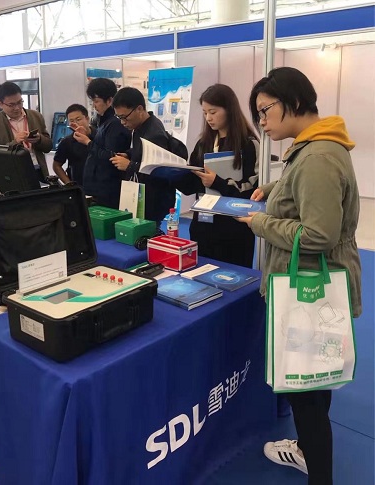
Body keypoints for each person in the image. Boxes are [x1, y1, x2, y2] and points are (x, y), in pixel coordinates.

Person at [238, 66, 362, 485]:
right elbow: (310, 194)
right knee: (314, 383)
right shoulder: (313, 148)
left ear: (292, 101)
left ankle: (318, 471)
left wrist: (261, 223)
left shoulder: (317, 156)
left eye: (265, 110)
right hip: (312, 287)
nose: (261, 121)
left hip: (309, 290)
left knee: (305, 395)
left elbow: (318, 234)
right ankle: (309, 452)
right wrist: (276, 190)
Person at [175, 83, 259, 268]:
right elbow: (191, 187)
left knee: (234, 278)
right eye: (205, 113)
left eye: (213, 112)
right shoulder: (203, 143)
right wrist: (174, 173)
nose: (208, 118)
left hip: (233, 229)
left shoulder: (248, 145)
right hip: (203, 225)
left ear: (229, 109)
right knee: (200, 274)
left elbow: (252, 192)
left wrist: (217, 182)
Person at [111, 86, 176, 226]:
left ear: (139, 109)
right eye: (119, 118)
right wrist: (129, 154)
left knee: (149, 234)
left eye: (124, 117)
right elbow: (142, 152)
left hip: (153, 199)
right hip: (145, 196)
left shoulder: (154, 134)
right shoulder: (142, 126)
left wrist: (129, 166)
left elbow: (159, 170)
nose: (122, 122)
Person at [73, 78, 131, 208]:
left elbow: (111, 156)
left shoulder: (115, 123)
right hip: (98, 188)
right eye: (92, 101)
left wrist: (87, 142)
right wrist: (89, 134)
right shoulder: (104, 121)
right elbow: (102, 144)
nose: (94, 105)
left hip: (108, 190)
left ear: (109, 100)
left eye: (96, 101)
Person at [0, 81, 52, 179]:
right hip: (11, 174)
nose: (17, 108)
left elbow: (48, 146)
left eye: (20, 102)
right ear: (0, 104)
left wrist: (39, 139)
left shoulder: (36, 116)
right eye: (11, 105)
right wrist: (15, 143)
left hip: (38, 170)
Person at [53, 103, 96, 185]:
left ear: (87, 119)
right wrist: (69, 183)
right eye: (71, 121)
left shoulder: (100, 135)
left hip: (101, 185)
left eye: (78, 119)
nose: (75, 123)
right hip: (80, 185)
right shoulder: (67, 142)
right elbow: (56, 165)